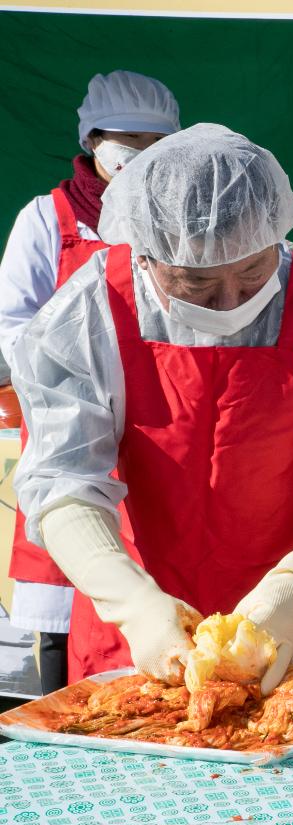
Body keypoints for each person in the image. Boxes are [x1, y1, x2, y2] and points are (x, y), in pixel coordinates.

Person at [11, 123, 293, 691]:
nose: (231, 302)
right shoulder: (90, 311)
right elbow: (61, 482)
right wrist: (131, 603)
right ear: (146, 257)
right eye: (197, 285)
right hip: (142, 633)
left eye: (253, 273)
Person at [0, 70, 180, 694]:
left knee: (155, 603)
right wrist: (73, 371)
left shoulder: (179, 221)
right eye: (124, 140)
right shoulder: (47, 219)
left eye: (153, 141)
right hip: (69, 429)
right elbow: (11, 324)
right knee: (65, 584)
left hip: (158, 430)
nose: (138, 153)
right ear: (92, 139)